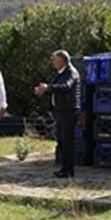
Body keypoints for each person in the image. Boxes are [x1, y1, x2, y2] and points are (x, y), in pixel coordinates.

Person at [34, 49, 80, 178]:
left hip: (69, 111)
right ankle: (64, 168)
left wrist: (48, 87)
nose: (53, 62)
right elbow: (56, 87)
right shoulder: (61, 73)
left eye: (55, 60)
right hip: (60, 110)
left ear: (62, 61)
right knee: (61, 140)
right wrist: (44, 90)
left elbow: (66, 86)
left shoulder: (71, 72)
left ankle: (68, 170)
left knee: (67, 141)